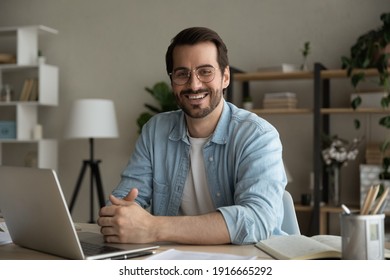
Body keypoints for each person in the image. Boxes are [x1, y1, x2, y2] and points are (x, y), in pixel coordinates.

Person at [97, 27, 287, 245]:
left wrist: (154, 228)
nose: (194, 84)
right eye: (182, 74)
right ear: (172, 81)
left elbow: (256, 219)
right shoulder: (155, 130)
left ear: (225, 77)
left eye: (205, 71)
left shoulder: (257, 135)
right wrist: (118, 217)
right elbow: (124, 202)